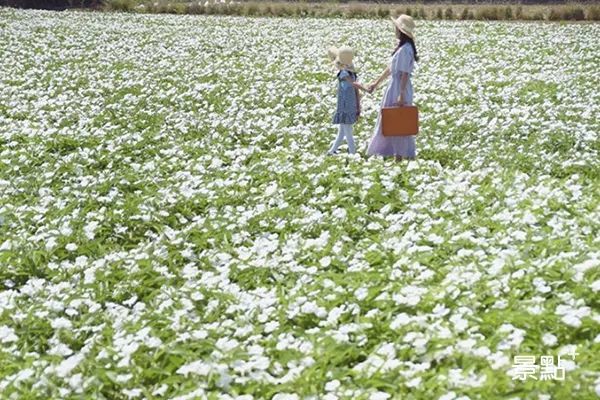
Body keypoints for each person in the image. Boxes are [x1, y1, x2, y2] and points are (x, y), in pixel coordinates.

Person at [366, 15, 419, 161]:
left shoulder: (405, 50)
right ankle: (396, 154)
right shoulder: (401, 48)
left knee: (398, 120)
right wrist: (376, 83)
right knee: (390, 119)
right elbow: (390, 69)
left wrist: (401, 94)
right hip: (394, 85)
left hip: (399, 87)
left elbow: (404, 74)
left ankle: (400, 156)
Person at [327, 46, 369, 155]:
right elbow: (354, 85)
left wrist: (358, 106)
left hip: (347, 106)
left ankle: (332, 152)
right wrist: (366, 89)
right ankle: (352, 154)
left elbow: (355, 88)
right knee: (347, 132)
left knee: (343, 132)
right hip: (346, 106)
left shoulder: (348, 73)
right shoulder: (346, 74)